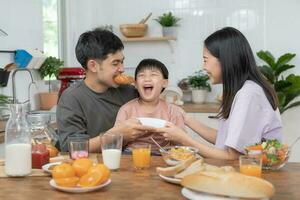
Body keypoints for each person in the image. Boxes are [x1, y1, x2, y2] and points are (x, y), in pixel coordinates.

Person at [156, 27, 283, 160]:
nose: (203, 67)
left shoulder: (249, 94)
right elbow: (226, 139)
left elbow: (232, 156)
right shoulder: (241, 91)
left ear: (225, 60)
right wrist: (185, 118)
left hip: (259, 174)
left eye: (205, 60)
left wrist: (183, 139)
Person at [56, 30, 154, 152]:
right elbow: (71, 148)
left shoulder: (129, 91)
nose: (122, 69)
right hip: (93, 167)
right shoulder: (72, 98)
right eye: (115, 63)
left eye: (122, 61)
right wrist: (115, 135)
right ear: (93, 66)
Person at [115, 58, 186, 153]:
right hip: (130, 154)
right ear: (135, 84)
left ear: (164, 83)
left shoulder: (172, 111)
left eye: (153, 75)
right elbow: (116, 141)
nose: (147, 79)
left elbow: (181, 142)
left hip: (163, 154)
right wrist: (126, 135)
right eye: (142, 75)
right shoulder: (126, 109)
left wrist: (173, 136)